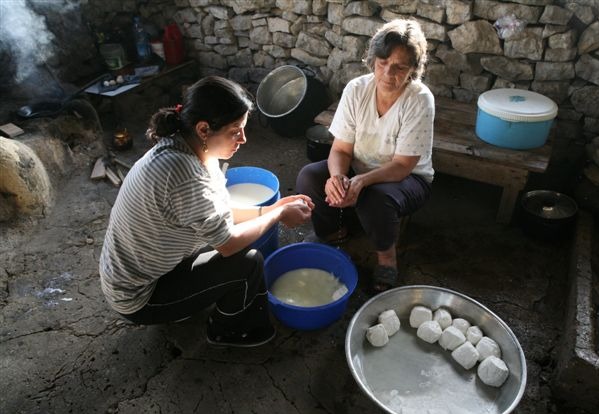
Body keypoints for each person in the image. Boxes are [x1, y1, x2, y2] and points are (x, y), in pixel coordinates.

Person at [99, 76, 313, 347]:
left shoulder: (185, 145)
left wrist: (270, 208)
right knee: (249, 263)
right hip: (139, 296)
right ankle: (227, 330)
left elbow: (216, 212)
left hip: (139, 271)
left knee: (223, 243)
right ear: (203, 129)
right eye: (235, 131)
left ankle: (188, 300)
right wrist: (278, 215)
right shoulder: (184, 175)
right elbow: (228, 243)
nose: (243, 139)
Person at [296, 19, 434, 293]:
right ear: (372, 60)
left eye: (400, 67)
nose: (388, 73)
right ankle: (333, 232)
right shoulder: (357, 89)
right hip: (360, 166)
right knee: (309, 177)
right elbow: (341, 149)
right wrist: (337, 177)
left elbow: (403, 165)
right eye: (382, 62)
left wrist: (361, 181)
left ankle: (387, 259)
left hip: (408, 178)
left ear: (413, 70)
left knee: (374, 197)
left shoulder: (419, 99)